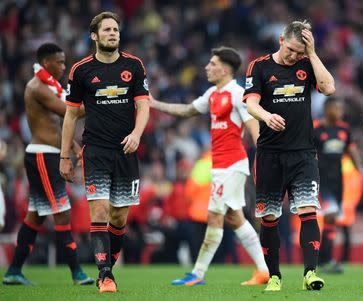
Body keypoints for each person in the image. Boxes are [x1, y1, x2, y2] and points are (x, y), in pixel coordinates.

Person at [150, 46, 270, 286]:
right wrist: (154, 103)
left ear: (224, 69)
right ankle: (263, 270)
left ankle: (198, 273)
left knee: (214, 217)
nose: (207, 67)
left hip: (232, 164)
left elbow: (254, 129)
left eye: (212, 63)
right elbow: (186, 111)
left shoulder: (238, 94)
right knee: (235, 219)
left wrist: (265, 161)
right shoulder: (212, 95)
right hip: (220, 166)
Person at [59, 12, 150, 293]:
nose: (113, 33)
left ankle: (105, 267)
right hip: (95, 149)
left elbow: (144, 106)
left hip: (125, 150)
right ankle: (106, 275)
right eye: (107, 30)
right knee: (98, 209)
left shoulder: (134, 66)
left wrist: (136, 134)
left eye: (116, 30)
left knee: (119, 217)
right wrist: (65, 155)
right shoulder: (81, 70)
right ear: (94, 36)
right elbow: (71, 116)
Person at [244, 20, 335, 291]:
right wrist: (266, 116)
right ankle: (274, 276)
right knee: (269, 217)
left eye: (301, 52)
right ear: (281, 40)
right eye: (293, 50)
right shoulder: (259, 66)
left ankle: (310, 274)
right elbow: (250, 104)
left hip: (303, 153)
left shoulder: (307, 63)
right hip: (270, 153)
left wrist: (313, 54)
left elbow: (329, 88)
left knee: (308, 210)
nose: (295, 56)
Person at [2, 43, 94, 286]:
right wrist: (99, 101)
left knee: (35, 217)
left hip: (48, 153)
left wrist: (73, 146)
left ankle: (13, 271)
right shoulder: (37, 87)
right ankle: (77, 273)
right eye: (59, 62)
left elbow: (55, 125)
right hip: (43, 156)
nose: (63, 67)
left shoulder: (51, 86)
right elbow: (67, 112)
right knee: (62, 212)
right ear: (46, 63)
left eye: (65, 62)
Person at [313, 97, 363, 273]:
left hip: (338, 180)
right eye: (336, 108)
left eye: (341, 109)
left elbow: (352, 151)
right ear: (327, 109)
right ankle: (327, 260)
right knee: (329, 216)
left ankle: (322, 262)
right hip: (321, 180)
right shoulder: (315, 128)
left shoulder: (344, 129)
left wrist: (362, 172)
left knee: (332, 220)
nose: (339, 112)